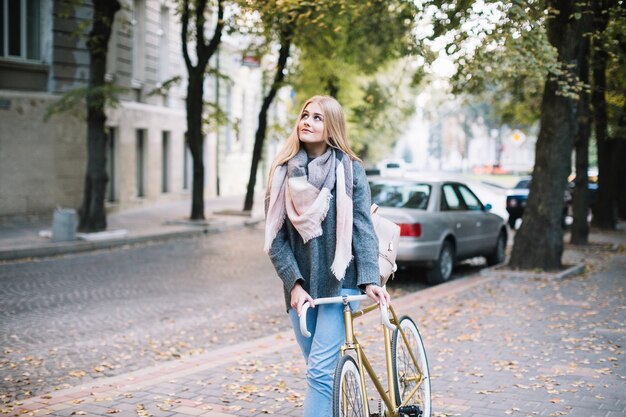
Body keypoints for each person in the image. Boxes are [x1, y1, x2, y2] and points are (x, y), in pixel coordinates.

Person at [264, 95, 390, 417]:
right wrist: (294, 285)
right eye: (305, 115)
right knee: (321, 372)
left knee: (319, 372)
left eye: (317, 117)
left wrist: (370, 280)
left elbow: (362, 226)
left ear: (331, 126)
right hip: (301, 289)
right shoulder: (281, 173)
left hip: (340, 286)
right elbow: (275, 239)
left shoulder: (350, 170)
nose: (307, 121)